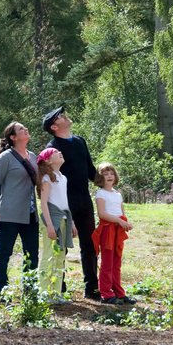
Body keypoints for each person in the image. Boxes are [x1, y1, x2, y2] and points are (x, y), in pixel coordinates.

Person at [42, 106, 101, 301]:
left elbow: (90, 170)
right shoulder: (52, 149)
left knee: (90, 244)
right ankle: (59, 286)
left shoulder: (80, 141)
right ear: (54, 126)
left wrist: (108, 183)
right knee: (61, 247)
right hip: (63, 204)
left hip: (84, 201)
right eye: (59, 116)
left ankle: (92, 288)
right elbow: (47, 179)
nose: (64, 116)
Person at [0, 122, 39, 300]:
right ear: (13, 137)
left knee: (32, 254)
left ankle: (31, 291)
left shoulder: (33, 157)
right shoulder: (5, 157)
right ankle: (0, 292)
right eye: (21, 130)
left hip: (31, 213)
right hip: (9, 213)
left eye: (25, 128)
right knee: (4, 252)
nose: (26, 130)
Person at [35, 147, 77, 304]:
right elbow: (44, 203)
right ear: (48, 160)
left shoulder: (63, 177)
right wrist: (50, 226)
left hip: (64, 218)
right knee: (48, 255)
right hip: (52, 219)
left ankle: (56, 292)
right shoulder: (47, 178)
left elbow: (65, 202)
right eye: (55, 152)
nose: (60, 152)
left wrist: (71, 222)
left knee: (60, 256)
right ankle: (44, 293)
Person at [91, 162, 136, 305]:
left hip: (118, 230)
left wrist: (125, 223)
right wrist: (118, 221)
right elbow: (102, 213)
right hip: (107, 230)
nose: (109, 176)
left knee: (117, 262)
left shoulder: (118, 194)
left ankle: (119, 292)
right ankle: (106, 293)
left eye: (111, 173)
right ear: (100, 177)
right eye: (105, 174)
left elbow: (122, 212)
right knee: (107, 262)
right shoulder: (100, 193)